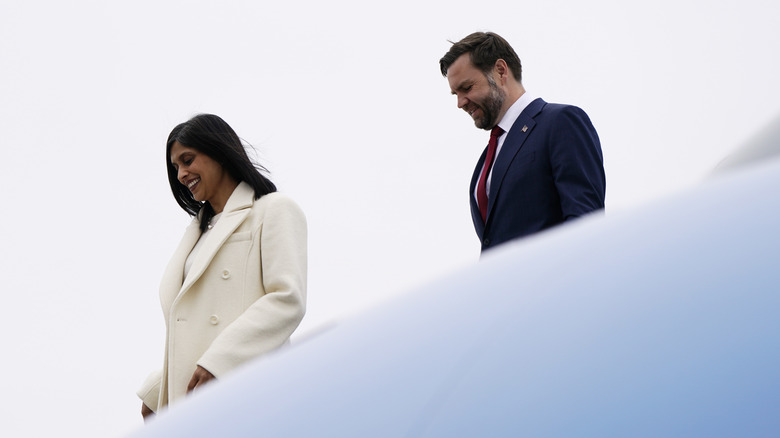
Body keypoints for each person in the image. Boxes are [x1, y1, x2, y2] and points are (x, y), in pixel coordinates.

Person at [137, 114, 307, 419]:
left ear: (219, 152)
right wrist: (159, 391)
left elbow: (286, 298)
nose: (181, 174)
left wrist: (219, 362)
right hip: (197, 398)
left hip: (250, 391)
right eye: (175, 167)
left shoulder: (273, 209)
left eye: (188, 160)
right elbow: (192, 325)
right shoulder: (197, 234)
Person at [439, 32, 606, 252]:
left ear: (500, 71)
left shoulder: (560, 122)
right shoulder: (489, 154)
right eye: (455, 93)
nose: (460, 103)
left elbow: (586, 225)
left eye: (467, 88)